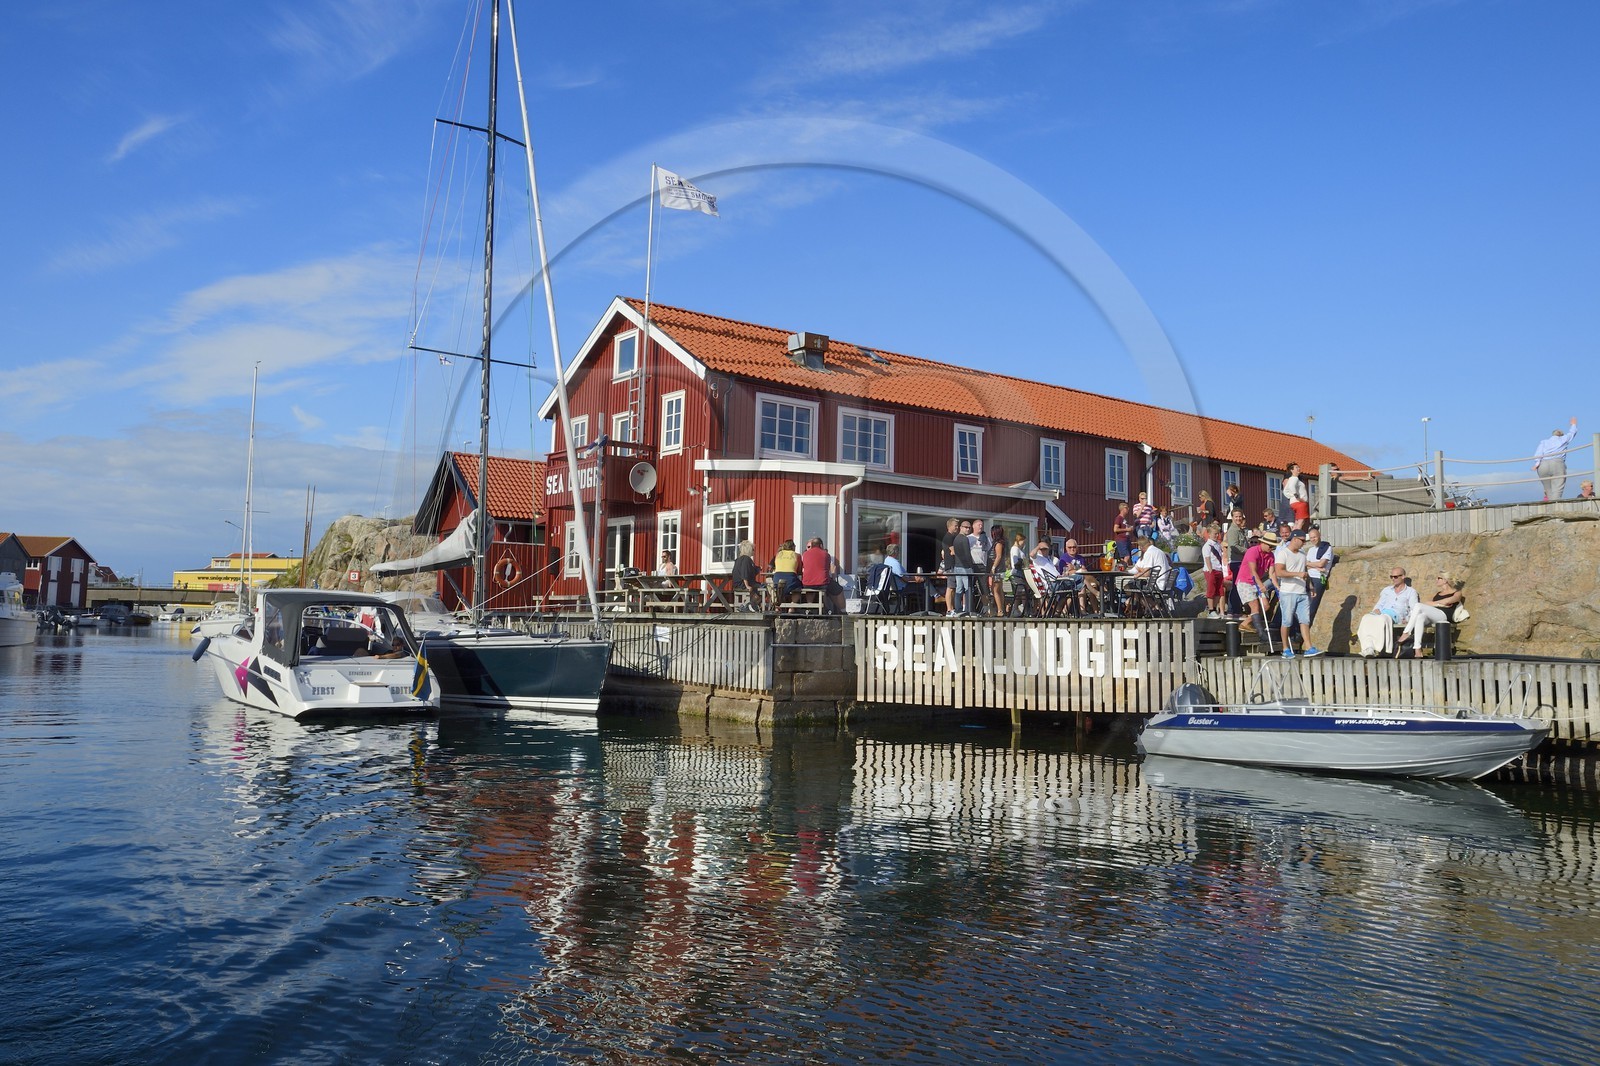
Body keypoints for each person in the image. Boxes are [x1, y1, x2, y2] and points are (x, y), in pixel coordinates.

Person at [1272, 528, 1320, 657]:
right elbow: (1279, 572)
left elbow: (1305, 572)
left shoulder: (1303, 554)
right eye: (1302, 540)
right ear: (1294, 539)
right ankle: (1285, 648)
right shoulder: (1283, 553)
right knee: (1287, 621)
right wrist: (1297, 574)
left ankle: (1309, 647)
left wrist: (1311, 586)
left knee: (1305, 620)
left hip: (1302, 592)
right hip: (1288, 592)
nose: (1304, 543)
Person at [1397, 572, 1466, 658]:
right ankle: (1417, 649)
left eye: (1438, 578)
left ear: (1445, 580)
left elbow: (1450, 600)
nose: (1436, 580)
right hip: (1435, 615)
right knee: (1420, 617)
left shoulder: (1456, 592)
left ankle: (1406, 632)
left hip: (1444, 616)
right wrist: (1439, 604)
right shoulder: (1439, 594)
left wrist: (1435, 603)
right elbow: (1427, 603)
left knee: (1418, 605)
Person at [1358, 566, 1420, 657]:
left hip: (1396, 614)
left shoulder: (1411, 592)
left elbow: (1414, 609)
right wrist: (1376, 610)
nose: (1393, 579)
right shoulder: (1386, 590)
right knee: (1366, 618)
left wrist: (1408, 619)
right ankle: (1368, 648)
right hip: (1383, 612)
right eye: (1391, 577)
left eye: (1395, 577)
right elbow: (1380, 604)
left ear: (1403, 576)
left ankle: (1376, 648)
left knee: (1382, 619)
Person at [1236, 531, 1277, 636]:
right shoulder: (1252, 551)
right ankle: (1260, 632)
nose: (1271, 548)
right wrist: (1261, 585)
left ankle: (1245, 623)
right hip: (1245, 581)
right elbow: (1253, 571)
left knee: (1266, 605)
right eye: (1270, 546)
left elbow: (1272, 573)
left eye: (1273, 547)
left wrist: (1277, 587)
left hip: (1256, 583)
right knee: (1255, 606)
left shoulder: (1271, 555)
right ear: (1263, 543)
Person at [1533, 418, 1579, 500]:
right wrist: (1573, 424)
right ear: (1561, 435)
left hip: (1543, 464)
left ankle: (1550, 505)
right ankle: (1555, 508)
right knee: (1557, 489)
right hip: (1557, 463)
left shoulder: (1544, 442)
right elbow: (1572, 433)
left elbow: (1538, 453)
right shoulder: (1563, 439)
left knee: (1548, 490)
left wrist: (1537, 463)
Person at [800, 536, 846, 614]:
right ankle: (843, 611)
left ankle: (809, 607)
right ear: (821, 545)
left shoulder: (805, 555)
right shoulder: (826, 554)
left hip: (806, 583)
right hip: (822, 583)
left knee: (810, 587)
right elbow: (827, 568)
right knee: (839, 590)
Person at [943, 518, 974, 616]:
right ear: (950, 526)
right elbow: (953, 552)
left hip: (955, 566)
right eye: (955, 525)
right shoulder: (949, 538)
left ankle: (957, 609)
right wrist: (970, 565)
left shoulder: (954, 538)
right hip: (955, 566)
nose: (956, 527)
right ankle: (950, 609)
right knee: (952, 587)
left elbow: (944, 552)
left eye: (957, 525)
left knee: (958, 588)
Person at [1304, 526, 1335, 623]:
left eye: (1315, 537)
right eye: (1311, 537)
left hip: (1318, 577)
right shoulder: (1310, 550)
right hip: (1308, 576)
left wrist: (1313, 565)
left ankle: (1306, 627)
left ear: (1319, 536)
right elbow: (1306, 565)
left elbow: (1322, 564)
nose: (1313, 539)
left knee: (1313, 604)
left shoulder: (1327, 548)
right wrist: (1316, 566)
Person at [1223, 509, 1250, 616]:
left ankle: (1235, 609)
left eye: (1240, 516)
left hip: (1241, 560)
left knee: (1238, 586)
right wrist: (1248, 551)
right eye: (1236, 516)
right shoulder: (1233, 530)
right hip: (1236, 561)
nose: (1238, 518)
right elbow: (1234, 546)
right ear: (1232, 517)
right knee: (1237, 586)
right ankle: (1233, 610)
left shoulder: (1239, 530)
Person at [1201, 521, 1227, 618]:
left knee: (1219, 590)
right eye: (1214, 533)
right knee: (1211, 590)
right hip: (1211, 570)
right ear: (1209, 534)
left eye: (1218, 533)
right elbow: (1207, 558)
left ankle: (1215, 609)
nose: (1217, 535)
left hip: (1219, 569)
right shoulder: (1207, 546)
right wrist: (1210, 569)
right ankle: (1211, 609)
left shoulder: (1217, 544)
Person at [730, 540, 761, 611]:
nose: (754, 551)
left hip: (737, 584)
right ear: (749, 550)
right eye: (753, 549)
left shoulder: (739, 559)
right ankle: (748, 605)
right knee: (764, 588)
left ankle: (749, 605)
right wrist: (747, 585)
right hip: (743, 584)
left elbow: (749, 572)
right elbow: (745, 573)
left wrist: (757, 569)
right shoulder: (747, 559)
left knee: (759, 587)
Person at [769, 539, 800, 606]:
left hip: (777, 576)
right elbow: (799, 570)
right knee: (798, 589)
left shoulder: (778, 554)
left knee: (779, 589)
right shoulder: (796, 555)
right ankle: (792, 607)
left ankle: (777, 606)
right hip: (790, 577)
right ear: (793, 547)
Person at [987, 523, 1008, 616]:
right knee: (999, 590)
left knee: (995, 590)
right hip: (999, 570)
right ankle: (1001, 609)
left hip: (998, 570)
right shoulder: (996, 543)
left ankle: (1000, 610)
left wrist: (993, 568)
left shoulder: (998, 543)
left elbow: (998, 556)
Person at [1283, 462, 1310, 530]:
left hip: (1294, 503)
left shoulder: (1290, 479)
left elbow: (1285, 491)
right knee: (1301, 521)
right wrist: (1297, 497)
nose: (1299, 469)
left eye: (1298, 467)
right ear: (1292, 470)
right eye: (1296, 468)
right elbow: (1292, 487)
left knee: (1297, 521)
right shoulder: (1294, 478)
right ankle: (1297, 535)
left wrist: (1291, 496)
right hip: (1300, 503)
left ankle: (1294, 534)